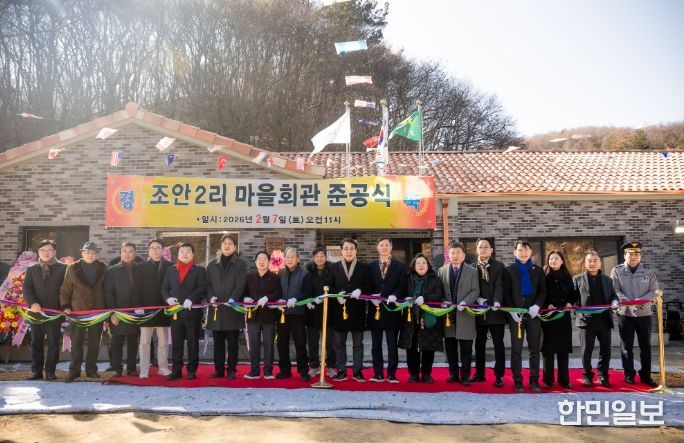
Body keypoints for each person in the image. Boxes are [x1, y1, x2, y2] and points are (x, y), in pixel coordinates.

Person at [611, 241, 659, 387]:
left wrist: (640, 301)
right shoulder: (617, 271)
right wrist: (627, 301)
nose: (634, 257)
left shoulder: (648, 271)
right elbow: (614, 290)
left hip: (644, 314)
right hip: (625, 314)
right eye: (630, 254)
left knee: (645, 347)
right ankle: (629, 374)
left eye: (637, 254)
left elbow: (654, 291)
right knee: (626, 346)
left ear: (640, 256)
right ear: (624, 255)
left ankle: (646, 375)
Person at [59, 241, 107, 382]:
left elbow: (107, 289)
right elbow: (65, 289)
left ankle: (91, 370)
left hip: (97, 311)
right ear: (82, 253)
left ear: (96, 254)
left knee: (94, 342)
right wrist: (65, 305)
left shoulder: (103, 268)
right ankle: (74, 371)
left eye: (93, 252)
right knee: (76, 342)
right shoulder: (72, 268)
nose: (90, 255)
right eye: (87, 252)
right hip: (78, 311)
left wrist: (108, 308)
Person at [503, 240, 546, 392]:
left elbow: (543, 291)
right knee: (516, 349)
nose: (523, 253)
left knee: (534, 349)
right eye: (520, 250)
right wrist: (512, 310)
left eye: (526, 250)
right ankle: (518, 380)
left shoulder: (538, 270)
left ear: (531, 252)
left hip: (533, 315)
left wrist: (537, 305)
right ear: (515, 252)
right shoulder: (509, 270)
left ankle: (534, 380)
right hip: (516, 316)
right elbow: (506, 293)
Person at [23, 240, 67, 381]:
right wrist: (32, 303)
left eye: (49, 250)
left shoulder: (64, 269)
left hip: (55, 313)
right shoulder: (32, 269)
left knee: (53, 343)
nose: (46, 252)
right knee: (36, 342)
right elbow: (27, 288)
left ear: (55, 252)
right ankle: (36, 372)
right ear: (38, 252)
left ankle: (50, 371)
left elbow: (67, 290)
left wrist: (64, 306)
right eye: (42, 250)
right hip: (36, 312)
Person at [329, 238, 372, 382]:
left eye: (352, 248)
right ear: (341, 251)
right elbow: (328, 286)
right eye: (346, 249)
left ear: (356, 250)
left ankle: (357, 372)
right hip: (339, 311)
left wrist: (361, 290)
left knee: (358, 344)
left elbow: (369, 285)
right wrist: (337, 295)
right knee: (339, 344)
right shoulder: (334, 267)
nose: (349, 251)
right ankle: (341, 370)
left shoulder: (363, 267)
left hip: (357, 311)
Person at [398, 253, 445, 383]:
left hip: (429, 318)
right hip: (411, 319)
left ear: (428, 265)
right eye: (418, 263)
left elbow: (439, 295)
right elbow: (401, 292)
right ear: (414, 266)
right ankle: (413, 373)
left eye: (424, 263)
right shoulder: (408, 279)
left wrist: (425, 298)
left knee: (428, 347)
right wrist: (405, 298)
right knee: (411, 347)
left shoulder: (435, 279)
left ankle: (426, 373)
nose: (421, 265)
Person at [162, 242, 206, 381]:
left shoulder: (199, 270)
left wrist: (191, 299)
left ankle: (192, 370)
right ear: (178, 254)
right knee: (176, 343)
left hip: (192, 312)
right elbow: (164, 288)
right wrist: (168, 298)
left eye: (188, 251)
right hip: (176, 313)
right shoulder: (171, 270)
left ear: (193, 254)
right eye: (182, 251)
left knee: (192, 342)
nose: (184, 254)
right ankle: (176, 370)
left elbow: (202, 287)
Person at [205, 234, 247, 380]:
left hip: (232, 309)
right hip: (216, 309)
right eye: (225, 243)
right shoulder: (212, 264)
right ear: (221, 246)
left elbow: (241, 284)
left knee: (233, 342)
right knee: (217, 342)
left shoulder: (240, 264)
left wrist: (233, 298)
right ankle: (218, 369)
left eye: (230, 243)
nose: (227, 245)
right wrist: (210, 297)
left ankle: (231, 370)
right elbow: (207, 285)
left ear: (235, 247)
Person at [574, 250, 619, 387]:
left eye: (595, 261)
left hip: (604, 320)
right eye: (589, 261)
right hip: (586, 321)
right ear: (585, 263)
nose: (592, 263)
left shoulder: (608, 280)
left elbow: (613, 296)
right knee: (586, 350)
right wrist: (580, 314)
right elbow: (574, 301)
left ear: (600, 263)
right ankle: (587, 376)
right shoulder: (577, 279)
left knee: (605, 350)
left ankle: (603, 375)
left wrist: (615, 302)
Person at [438, 241, 480, 386]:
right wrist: (443, 301)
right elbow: (439, 291)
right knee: (450, 347)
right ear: (448, 255)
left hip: (465, 314)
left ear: (464, 255)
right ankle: (453, 374)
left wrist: (465, 302)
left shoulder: (472, 271)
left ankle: (465, 376)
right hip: (448, 315)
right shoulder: (442, 270)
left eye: (458, 253)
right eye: (452, 253)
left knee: (466, 348)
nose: (455, 255)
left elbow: (475, 290)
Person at [367, 238, 408, 383]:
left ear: (391, 247)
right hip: (375, 309)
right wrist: (371, 296)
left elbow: (403, 285)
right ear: (377, 247)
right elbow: (367, 284)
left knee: (392, 345)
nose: (384, 247)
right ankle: (378, 373)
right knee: (376, 345)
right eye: (381, 245)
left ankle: (392, 374)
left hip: (392, 310)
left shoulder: (400, 266)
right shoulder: (370, 266)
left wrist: (395, 295)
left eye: (386, 245)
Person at [134, 238, 172, 378]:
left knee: (163, 342)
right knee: (144, 342)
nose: (155, 251)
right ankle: (144, 369)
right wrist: (138, 306)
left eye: (158, 248)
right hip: (146, 309)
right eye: (152, 248)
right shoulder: (141, 267)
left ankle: (163, 367)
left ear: (163, 250)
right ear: (148, 251)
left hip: (163, 308)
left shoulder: (170, 266)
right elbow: (136, 288)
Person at [471, 237, 507, 387]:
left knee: (498, 344)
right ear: (476, 250)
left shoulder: (499, 266)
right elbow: (472, 287)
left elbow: (500, 285)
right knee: (479, 344)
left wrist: (497, 301)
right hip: (480, 312)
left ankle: (499, 375)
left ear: (491, 250)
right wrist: (477, 299)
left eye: (486, 247)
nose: (483, 249)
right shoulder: (472, 267)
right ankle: (479, 373)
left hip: (496, 311)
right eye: (480, 247)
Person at [243, 250, 282, 380]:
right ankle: (254, 371)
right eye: (259, 259)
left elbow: (278, 293)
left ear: (269, 262)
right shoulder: (249, 277)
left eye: (264, 259)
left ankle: (268, 371)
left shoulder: (275, 277)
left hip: (269, 316)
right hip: (253, 315)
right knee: (253, 344)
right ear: (255, 262)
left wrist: (267, 297)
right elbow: (243, 292)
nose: (261, 261)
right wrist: (245, 298)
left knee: (269, 344)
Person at [542, 250, 578, 389]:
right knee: (548, 350)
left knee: (563, 350)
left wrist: (569, 302)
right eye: (551, 258)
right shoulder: (544, 276)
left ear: (562, 261)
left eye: (556, 258)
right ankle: (548, 380)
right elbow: (541, 293)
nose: (553, 261)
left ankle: (564, 380)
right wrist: (547, 304)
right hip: (548, 317)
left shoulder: (568, 277)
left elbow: (573, 294)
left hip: (563, 317)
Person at [105, 242, 141, 377]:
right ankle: (117, 368)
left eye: (130, 251)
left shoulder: (140, 269)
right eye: (124, 251)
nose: (127, 254)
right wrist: (112, 313)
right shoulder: (112, 271)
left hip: (136, 312)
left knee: (133, 341)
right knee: (117, 342)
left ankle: (132, 368)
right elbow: (108, 293)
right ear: (120, 253)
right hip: (118, 312)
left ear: (135, 253)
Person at [277, 247, 312, 381]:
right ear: (284, 259)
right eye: (287, 257)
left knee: (300, 343)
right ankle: (285, 370)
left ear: (298, 259)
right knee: (282, 343)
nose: (290, 259)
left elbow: (308, 292)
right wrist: (278, 300)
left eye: (292, 257)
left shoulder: (305, 274)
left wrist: (296, 299)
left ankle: (303, 371)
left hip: (298, 313)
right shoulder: (280, 273)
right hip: (282, 313)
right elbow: (276, 290)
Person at [305, 246, 336, 378]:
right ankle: (314, 366)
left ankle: (331, 366)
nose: (319, 258)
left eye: (322, 255)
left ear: (325, 257)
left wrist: (325, 297)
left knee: (329, 342)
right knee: (312, 341)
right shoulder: (308, 271)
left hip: (329, 310)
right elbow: (306, 288)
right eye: (317, 256)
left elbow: (335, 287)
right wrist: (308, 300)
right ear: (313, 258)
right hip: (312, 311)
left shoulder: (333, 269)